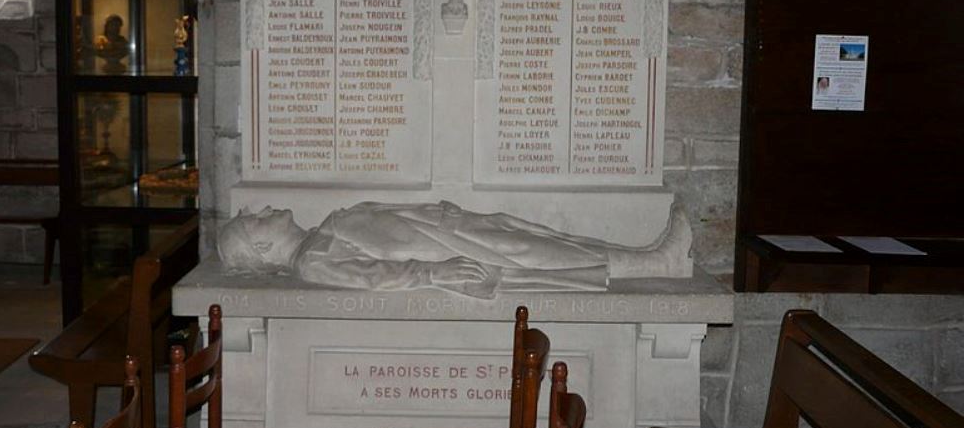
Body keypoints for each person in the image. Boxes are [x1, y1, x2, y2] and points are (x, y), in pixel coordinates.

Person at [217, 200, 692, 298]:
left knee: (551, 240)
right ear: (261, 245)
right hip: (451, 250)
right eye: (255, 218)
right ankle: (658, 263)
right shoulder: (312, 260)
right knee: (545, 254)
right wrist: (432, 274)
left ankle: (645, 254)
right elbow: (366, 277)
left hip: (450, 228)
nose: (263, 209)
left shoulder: (321, 231)